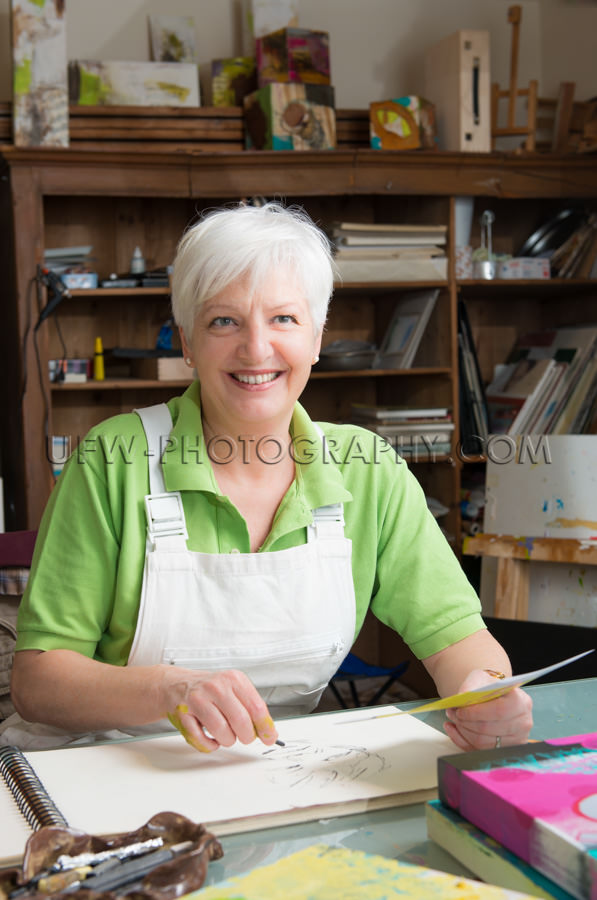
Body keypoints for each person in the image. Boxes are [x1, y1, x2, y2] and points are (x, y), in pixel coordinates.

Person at [4, 202, 532, 753]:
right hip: (105, 765)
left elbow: (460, 642)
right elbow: (38, 684)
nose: (256, 349)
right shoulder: (114, 459)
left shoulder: (368, 468)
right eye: (223, 321)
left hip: (279, 771)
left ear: (317, 337)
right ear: (186, 342)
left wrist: (488, 695)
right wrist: (169, 687)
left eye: (284, 318)